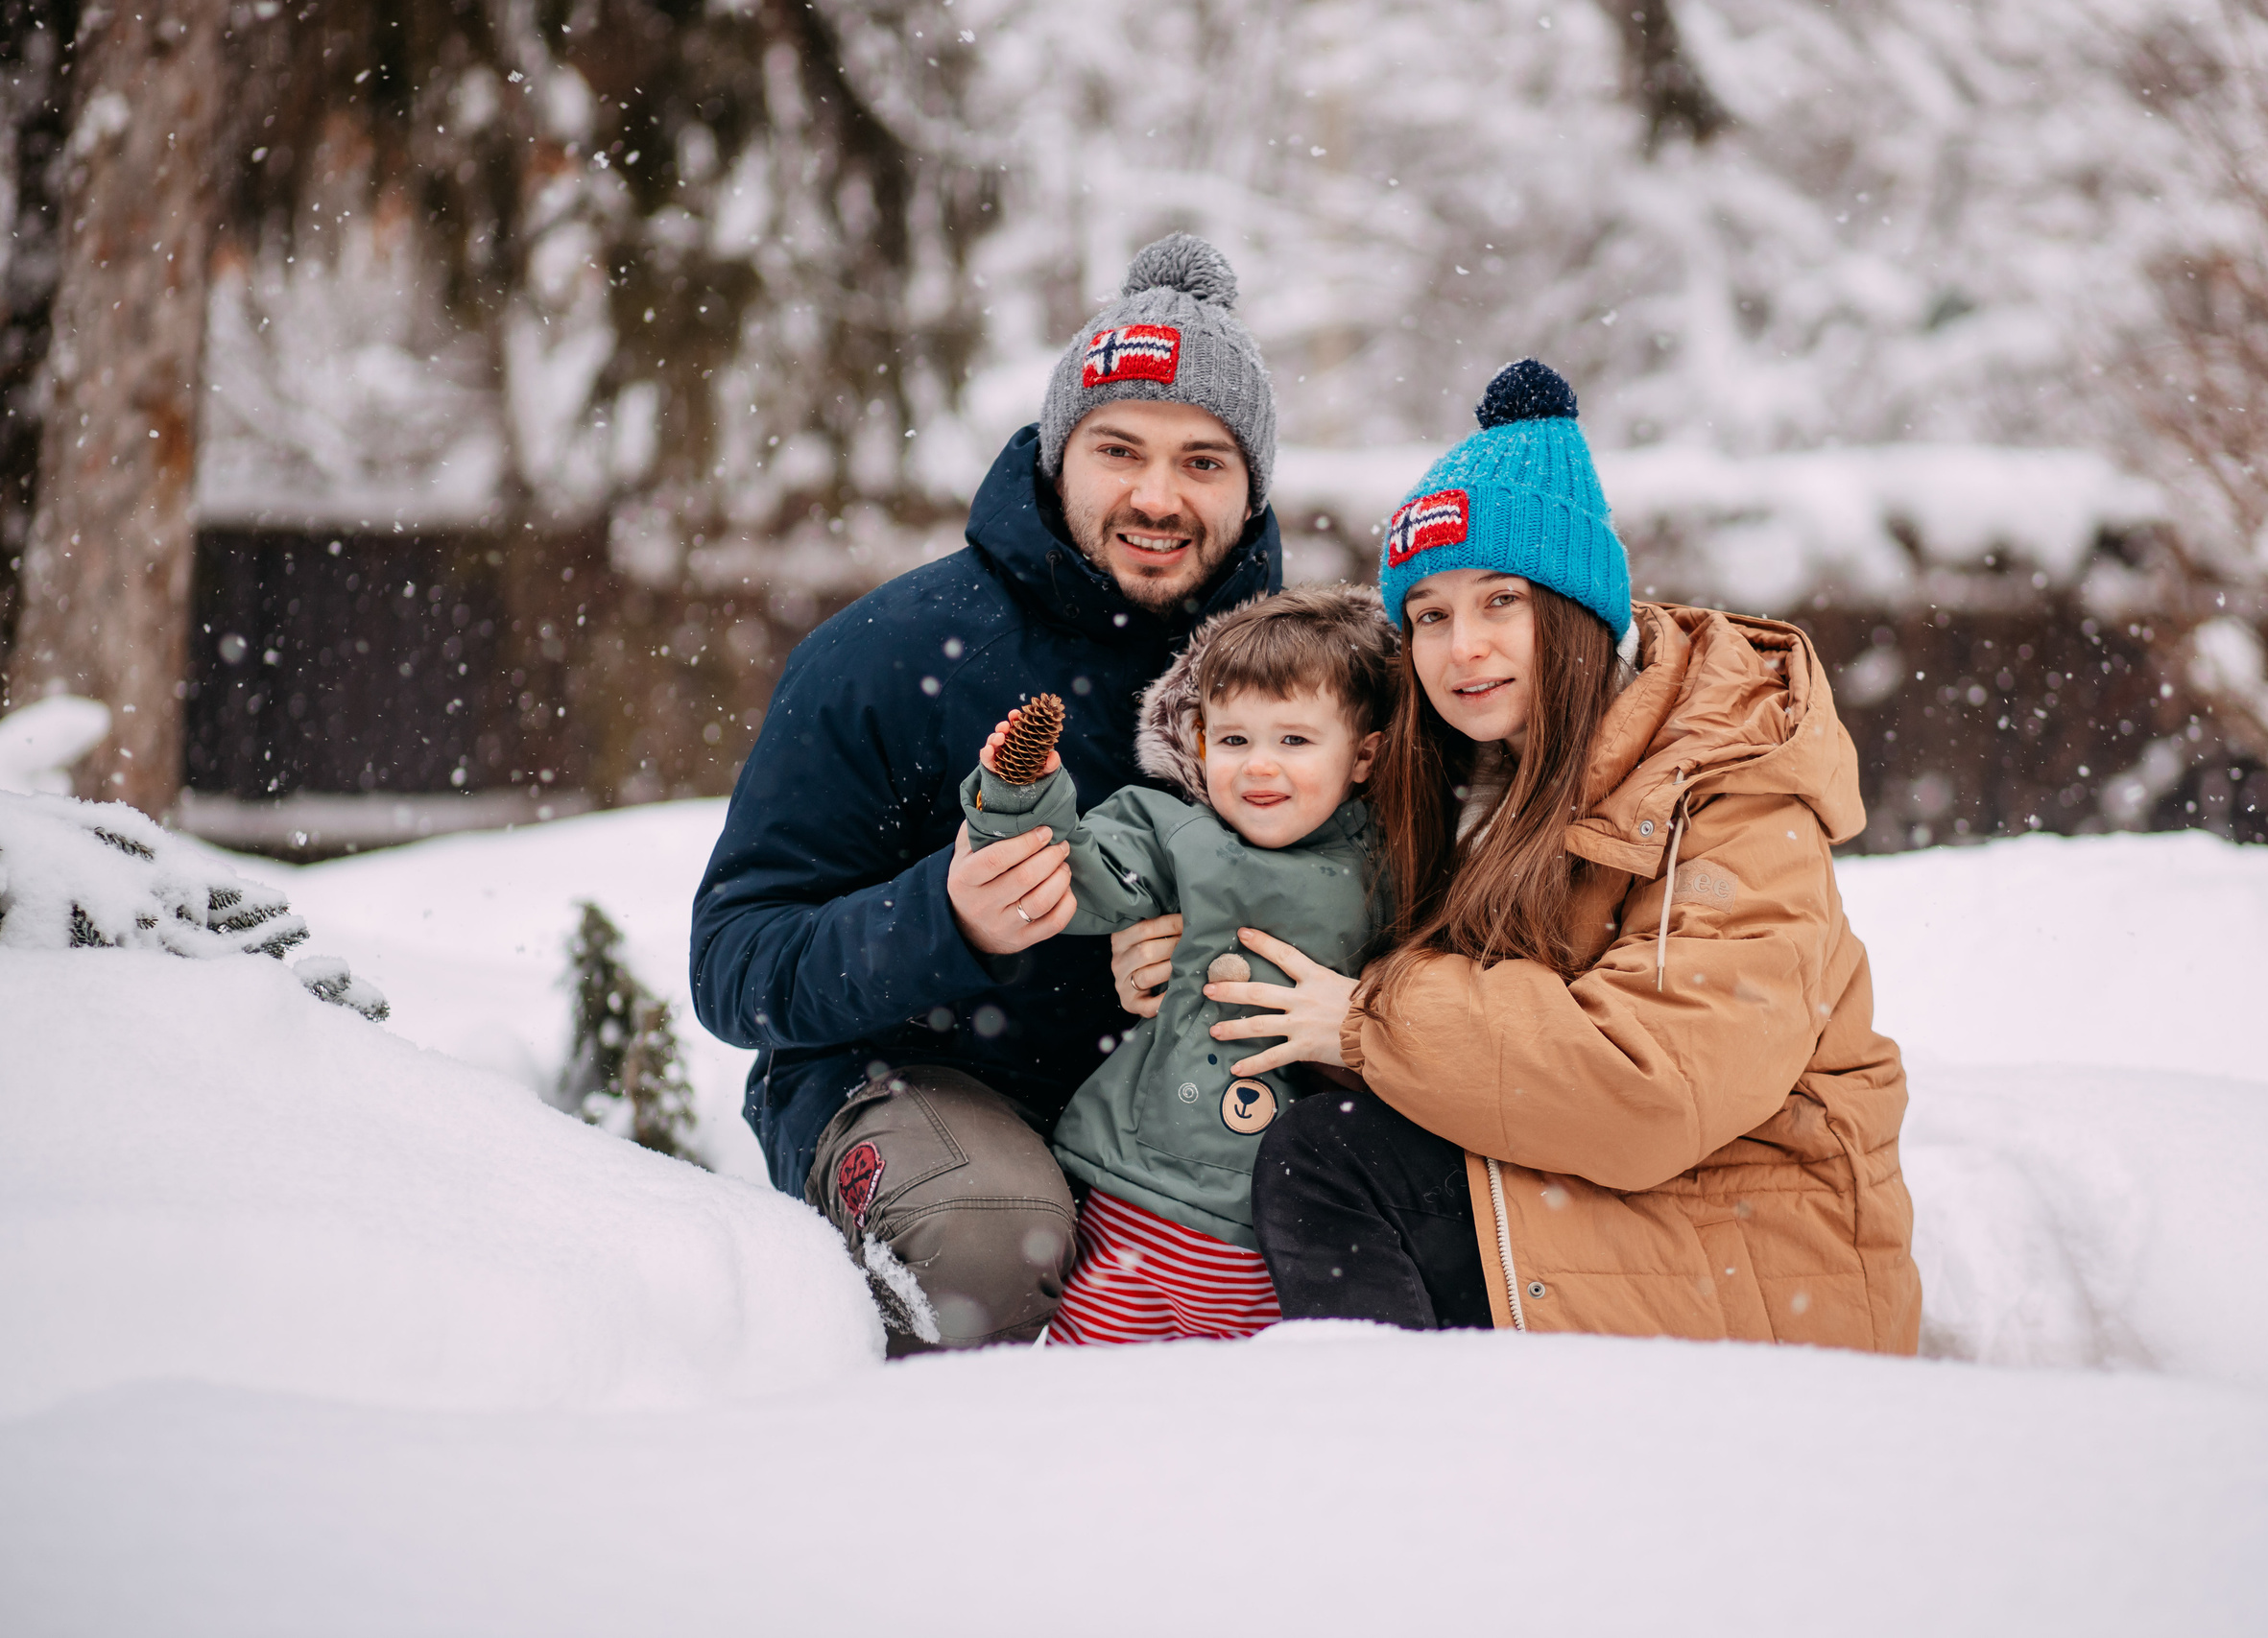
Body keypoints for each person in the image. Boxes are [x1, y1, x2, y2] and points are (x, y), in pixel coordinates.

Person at [1129, 358, 1922, 1349]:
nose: (1462, 647)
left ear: (1578, 607)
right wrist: (1192, 944)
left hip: (1747, 1243)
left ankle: (1396, 1456)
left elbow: (1654, 1087)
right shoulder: (1467, 774)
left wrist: (1373, 1021)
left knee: (1326, 1160)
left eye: (1500, 600)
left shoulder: (1729, 787)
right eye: (1430, 614)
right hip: (1595, 1195)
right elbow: (1333, 933)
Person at [690, 233, 1282, 1352]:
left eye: (1203, 461)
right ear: (1059, 455)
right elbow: (733, 965)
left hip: (1195, 1100)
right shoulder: (890, 654)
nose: (1158, 496)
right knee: (990, 1243)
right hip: (924, 1085)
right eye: (1120, 450)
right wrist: (944, 919)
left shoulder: (1307, 679)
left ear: (1251, 487)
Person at [963, 585, 1395, 1344]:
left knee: (1232, 1432)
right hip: (1133, 1201)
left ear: (1363, 753)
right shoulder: (1177, 835)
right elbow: (1082, 874)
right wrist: (1022, 793)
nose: (1260, 767)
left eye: (1295, 740)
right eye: (1234, 741)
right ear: (1199, 745)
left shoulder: (1389, 871)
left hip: (1271, 1234)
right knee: (1089, 1397)